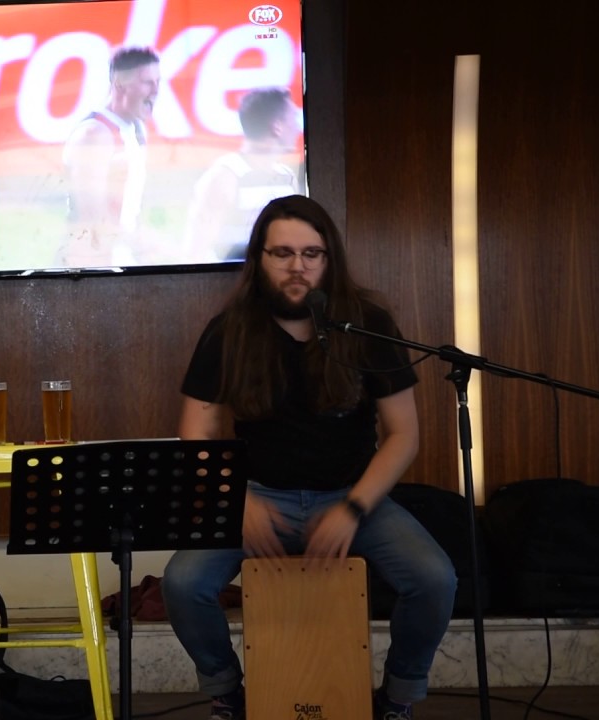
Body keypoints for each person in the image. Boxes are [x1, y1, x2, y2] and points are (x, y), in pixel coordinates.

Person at [161, 195, 455, 720]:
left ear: (329, 259)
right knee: (183, 584)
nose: (297, 266)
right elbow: (196, 431)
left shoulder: (367, 324)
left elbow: (403, 435)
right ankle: (228, 693)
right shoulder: (228, 330)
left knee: (435, 579)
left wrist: (353, 509)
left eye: (311, 254)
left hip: (351, 496)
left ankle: (398, 698)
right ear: (260, 259)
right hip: (256, 496)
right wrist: (236, 500)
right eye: (282, 253)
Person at [59, 46, 160, 267]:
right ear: (119, 84)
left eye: (158, 82)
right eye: (147, 82)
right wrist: (140, 242)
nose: (155, 90)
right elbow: (91, 216)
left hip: (122, 257)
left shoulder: (137, 129)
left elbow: (134, 206)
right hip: (91, 266)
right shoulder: (94, 134)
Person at [183, 88, 305, 262]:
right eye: (293, 119)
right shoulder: (225, 176)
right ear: (277, 127)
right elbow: (196, 249)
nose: (298, 127)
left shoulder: (286, 176)